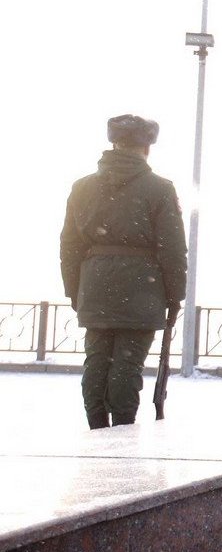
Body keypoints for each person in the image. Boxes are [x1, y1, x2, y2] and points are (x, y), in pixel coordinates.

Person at [60, 114, 188, 429]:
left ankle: (96, 431)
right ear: (146, 147)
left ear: (113, 143)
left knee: (97, 364)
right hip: (141, 291)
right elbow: (173, 249)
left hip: (95, 287)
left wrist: (75, 291)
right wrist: (175, 295)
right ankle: (121, 436)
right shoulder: (160, 189)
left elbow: (69, 246)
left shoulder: (82, 187)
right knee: (127, 368)